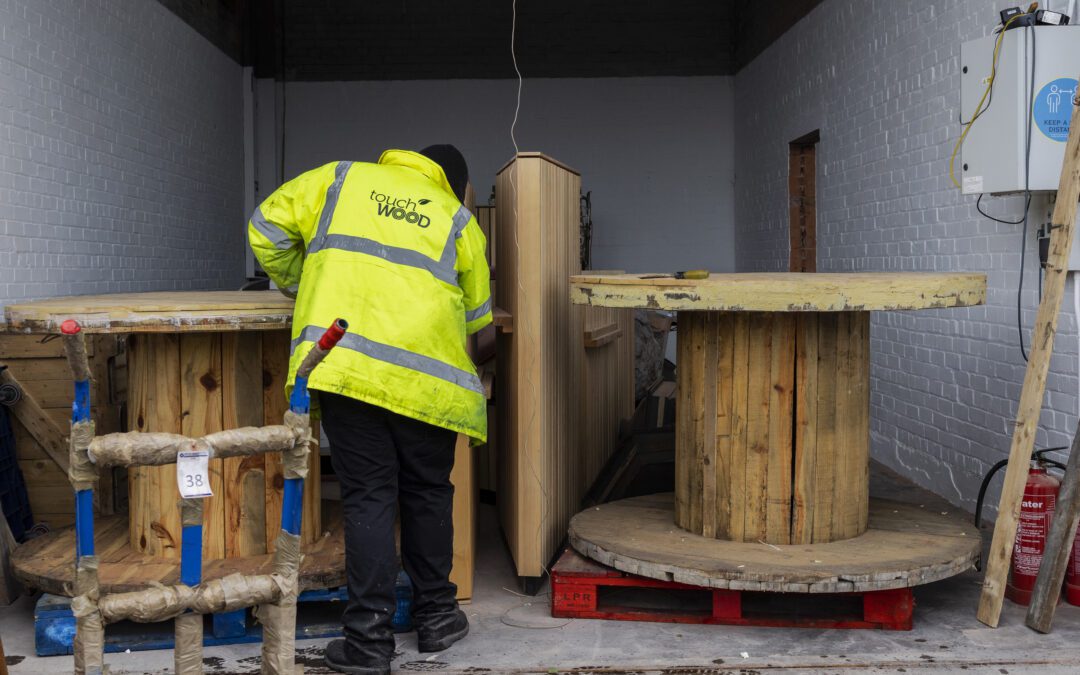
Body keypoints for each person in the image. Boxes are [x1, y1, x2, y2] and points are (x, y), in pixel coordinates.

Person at [248, 145, 491, 675]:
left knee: (370, 497)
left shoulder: (339, 179)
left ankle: (368, 644)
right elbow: (477, 318)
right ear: (453, 182)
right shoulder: (458, 219)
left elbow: (264, 228)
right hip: (429, 386)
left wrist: (303, 282)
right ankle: (439, 618)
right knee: (428, 493)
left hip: (350, 371)